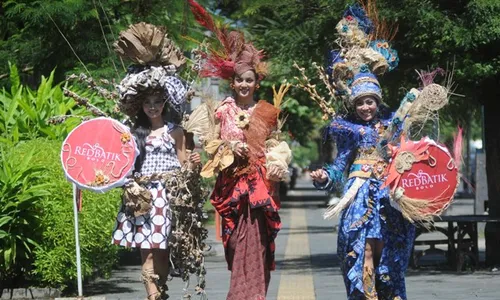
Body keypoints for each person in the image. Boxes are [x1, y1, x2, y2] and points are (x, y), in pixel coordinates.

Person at [307, 3, 417, 299]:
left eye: (370, 101)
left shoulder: (393, 124)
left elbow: (408, 157)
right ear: (353, 105)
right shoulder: (348, 130)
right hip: (358, 196)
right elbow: (339, 166)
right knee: (362, 251)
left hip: (388, 197)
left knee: (386, 258)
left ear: (378, 100)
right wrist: (324, 177)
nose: (366, 107)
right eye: (360, 102)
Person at [188, 1, 292, 299]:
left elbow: (275, 145)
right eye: (239, 80)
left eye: (250, 80)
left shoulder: (268, 112)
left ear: (257, 82)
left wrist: (277, 162)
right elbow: (212, 146)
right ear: (231, 82)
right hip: (232, 185)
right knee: (233, 244)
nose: (244, 84)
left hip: (260, 186)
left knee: (258, 244)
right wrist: (227, 147)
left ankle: (253, 295)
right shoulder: (222, 110)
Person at [110, 23, 201, 300]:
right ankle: (152, 296)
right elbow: (121, 165)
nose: (152, 107)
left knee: (162, 250)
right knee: (146, 250)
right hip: (142, 197)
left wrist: (195, 162)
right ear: (140, 105)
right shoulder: (131, 134)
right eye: (147, 102)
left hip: (168, 197)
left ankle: (159, 292)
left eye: (157, 101)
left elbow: (187, 165)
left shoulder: (175, 131)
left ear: (164, 103)